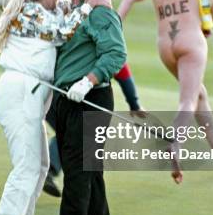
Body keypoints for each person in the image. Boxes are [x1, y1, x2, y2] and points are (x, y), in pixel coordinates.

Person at [0, 0, 109, 215]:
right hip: (20, 92)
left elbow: (66, 10)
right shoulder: (31, 13)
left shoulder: (45, 9)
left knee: (41, 164)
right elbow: (63, 32)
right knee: (26, 165)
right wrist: (90, 7)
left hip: (31, 95)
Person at [118, 0, 213, 183]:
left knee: (199, 94)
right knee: (188, 99)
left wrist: (114, 26)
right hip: (191, 42)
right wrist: (206, 22)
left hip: (165, 47)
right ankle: (175, 145)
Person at [53, 0, 127, 215]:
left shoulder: (100, 13)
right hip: (66, 99)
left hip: (90, 99)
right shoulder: (74, 14)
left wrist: (88, 80)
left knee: (78, 170)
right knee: (89, 171)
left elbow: (116, 53)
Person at [43, 62, 144, 198]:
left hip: (47, 94)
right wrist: (135, 105)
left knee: (73, 135)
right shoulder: (108, 52)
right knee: (76, 134)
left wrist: (134, 105)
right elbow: (123, 74)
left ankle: (50, 172)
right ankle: (50, 171)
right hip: (60, 96)